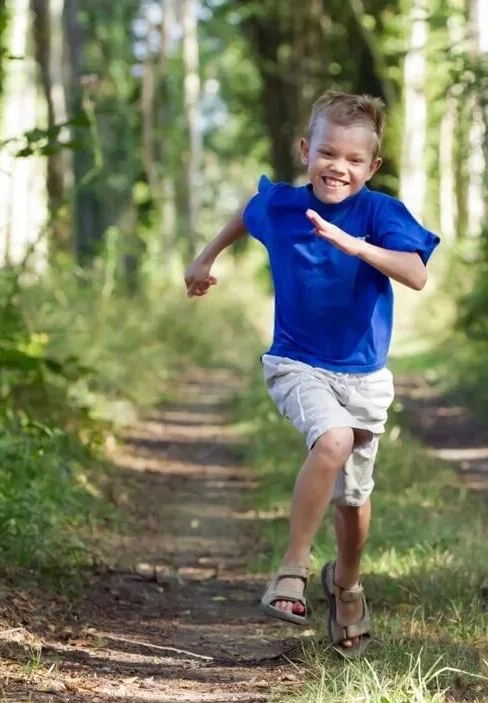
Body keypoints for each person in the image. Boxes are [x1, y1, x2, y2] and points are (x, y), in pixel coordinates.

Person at [184, 90, 439, 656]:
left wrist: (355, 245)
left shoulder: (380, 213)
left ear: (372, 167)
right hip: (296, 361)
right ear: (306, 150)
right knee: (333, 439)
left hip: (365, 376)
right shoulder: (283, 207)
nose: (338, 168)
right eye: (328, 153)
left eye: (353, 160)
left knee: (354, 496)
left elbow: (416, 274)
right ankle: (292, 570)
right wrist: (204, 259)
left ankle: (346, 581)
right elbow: (248, 212)